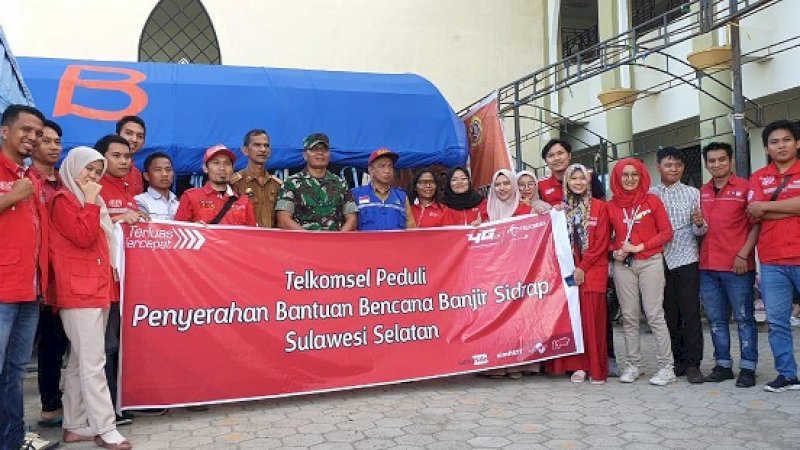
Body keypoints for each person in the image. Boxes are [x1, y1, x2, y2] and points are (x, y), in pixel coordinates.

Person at [49, 146, 133, 449]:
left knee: (78, 362)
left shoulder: (87, 200)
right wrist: (88, 200)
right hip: (79, 291)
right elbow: (83, 237)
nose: (93, 177)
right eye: (88, 170)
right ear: (72, 168)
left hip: (96, 287)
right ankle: (105, 427)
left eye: (98, 172)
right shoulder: (63, 200)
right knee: (93, 362)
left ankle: (74, 425)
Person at [0, 104, 56, 450]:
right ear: (5, 131)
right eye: (26, 130)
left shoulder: (31, 176)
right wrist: (10, 198)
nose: (33, 138)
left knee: (15, 373)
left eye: (38, 133)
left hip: (29, 289)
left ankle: (13, 439)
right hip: (2, 289)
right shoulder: (17, 180)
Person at [607, 158, 676, 386]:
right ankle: (633, 365)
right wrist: (614, 251)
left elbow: (666, 232)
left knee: (655, 314)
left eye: (634, 174)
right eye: (624, 175)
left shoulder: (652, 201)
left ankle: (667, 367)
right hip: (623, 265)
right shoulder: (611, 205)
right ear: (617, 178)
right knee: (629, 316)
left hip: (650, 261)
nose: (629, 179)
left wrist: (641, 247)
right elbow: (606, 239)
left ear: (641, 176)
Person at [95, 133, 149, 423]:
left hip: (130, 283)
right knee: (105, 346)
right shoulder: (92, 187)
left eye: (127, 156)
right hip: (103, 281)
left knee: (125, 344)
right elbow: (90, 227)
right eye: (116, 155)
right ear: (101, 157)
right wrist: (118, 219)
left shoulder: (131, 188)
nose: (123, 161)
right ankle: (106, 409)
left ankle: (122, 402)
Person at [698, 142, 759, 388]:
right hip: (708, 267)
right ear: (706, 164)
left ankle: (748, 368)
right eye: (711, 161)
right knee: (716, 320)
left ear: (730, 160)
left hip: (737, 267)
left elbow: (756, 225)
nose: (717, 164)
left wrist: (744, 254)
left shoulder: (746, 189)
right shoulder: (701, 191)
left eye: (722, 159)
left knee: (744, 319)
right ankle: (723, 365)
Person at [746, 119, 800, 392]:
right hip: (772, 262)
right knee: (778, 322)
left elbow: (762, 209)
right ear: (766, 148)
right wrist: (792, 207)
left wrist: (768, 207)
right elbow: (754, 212)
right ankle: (788, 375)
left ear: (797, 143)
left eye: (786, 140)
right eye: (774, 142)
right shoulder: (758, 177)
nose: (781, 145)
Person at [546, 164, 610, 384]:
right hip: (570, 271)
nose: (578, 183)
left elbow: (601, 243)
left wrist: (583, 267)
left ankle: (597, 368)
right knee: (576, 319)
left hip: (593, 270)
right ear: (567, 183)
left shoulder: (600, 207)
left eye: (582, 178)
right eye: (573, 179)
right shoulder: (561, 209)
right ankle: (580, 366)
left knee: (595, 320)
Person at [650, 147, 707, 384]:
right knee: (668, 314)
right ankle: (677, 361)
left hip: (686, 258)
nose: (673, 169)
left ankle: (694, 364)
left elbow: (700, 231)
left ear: (683, 167)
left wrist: (699, 223)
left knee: (691, 313)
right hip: (658, 260)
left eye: (678, 165)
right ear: (658, 167)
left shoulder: (694, 193)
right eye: (668, 165)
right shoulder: (650, 194)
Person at [29, 119, 70, 429]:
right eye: (46, 140)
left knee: (63, 342)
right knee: (46, 344)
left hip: (66, 274)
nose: (53, 146)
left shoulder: (66, 182)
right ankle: (49, 406)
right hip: (32, 275)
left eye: (58, 141)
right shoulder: (26, 181)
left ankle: (64, 402)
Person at [479, 169, 533, 380]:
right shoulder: (486, 209)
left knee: (515, 317)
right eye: (498, 184)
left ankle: (515, 364)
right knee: (493, 318)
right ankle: (495, 363)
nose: (502, 188)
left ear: (513, 185)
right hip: (492, 273)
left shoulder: (525, 210)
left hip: (517, 272)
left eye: (506, 184)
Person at [276, 133, 357, 231]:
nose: (320, 153)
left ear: (329, 154)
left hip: (334, 243)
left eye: (324, 149)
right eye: (314, 149)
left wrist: (338, 240)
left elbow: (352, 219)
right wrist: (311, 241)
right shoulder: (291, 183)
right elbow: (283, 220)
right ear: (305, 155)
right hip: (303, 243)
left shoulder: (341, 184)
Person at [175, 144, 256, 226]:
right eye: (216, 163)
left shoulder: (244, 202)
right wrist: (194, 228)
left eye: (227, 163)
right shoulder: (190, 197)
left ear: (233, 168)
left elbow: (251, 236)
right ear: (205, 168)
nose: (222, 168)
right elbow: (177, 233)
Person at [352, 148, 415, 230]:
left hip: (396, 242)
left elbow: (411, 227)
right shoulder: (356, 194)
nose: (387, 170)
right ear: (371, 170)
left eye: (390, 166)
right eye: (382, 166)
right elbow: (351, 227)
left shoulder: (401, 196)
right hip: (367, 242)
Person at [230, 129, 282, 227]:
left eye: (266, 145)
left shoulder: (277, 185)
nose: (262, 149)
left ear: (270, 152)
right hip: (246, 239)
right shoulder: (235, 183)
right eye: (257, 145)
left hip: (272, 239)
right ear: (245, 150)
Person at [537, 139, 606, 206]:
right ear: (546, 161)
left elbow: (602, 203)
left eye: (560, 153)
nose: (556, 158)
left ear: (569, 155)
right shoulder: (540, 185)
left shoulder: (589, 176)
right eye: (551, 155)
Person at [134, 152, 179, 220]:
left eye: (168, 170)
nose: (165, 174)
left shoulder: (178, 203)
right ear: (146, 176)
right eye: (158, 170)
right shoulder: (139, 201)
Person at [116, 115, 146, 195]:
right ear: (116, 135)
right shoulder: (102, 168)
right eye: (129, 133)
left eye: (140, 136)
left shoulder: (137, 174)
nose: (134, 139)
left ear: (143, 143)